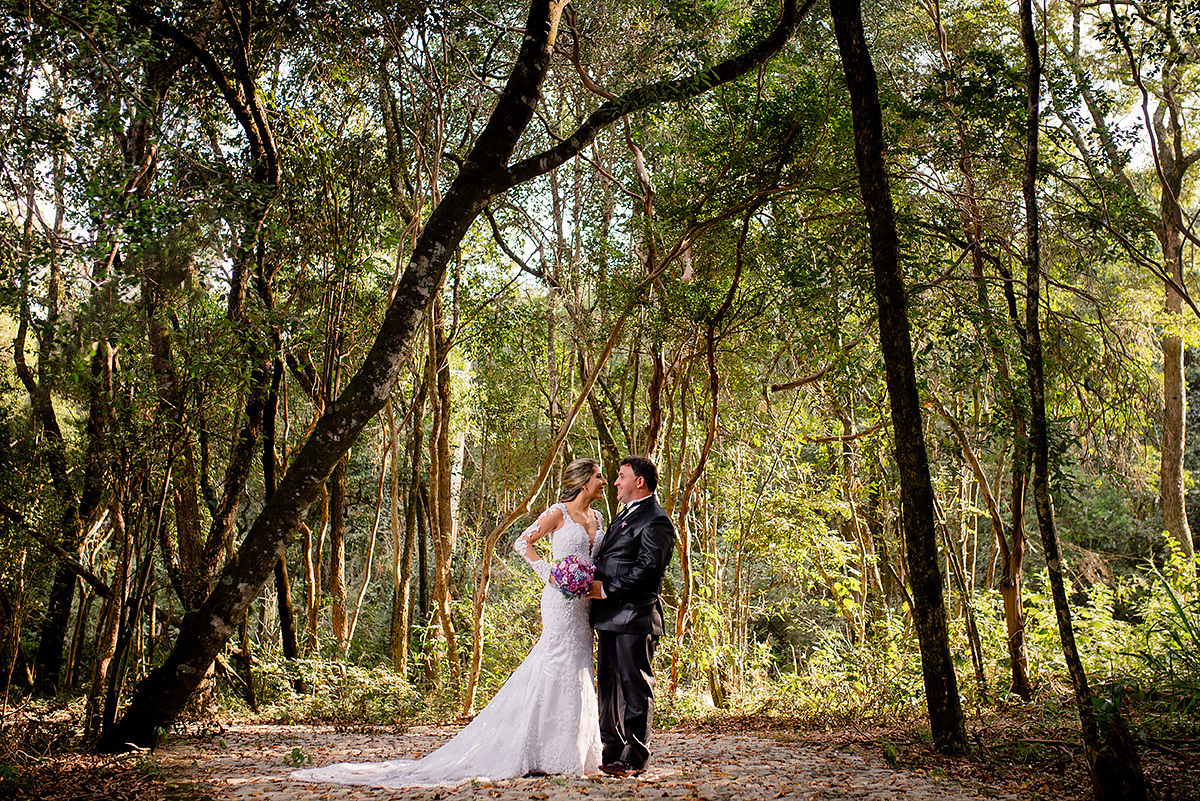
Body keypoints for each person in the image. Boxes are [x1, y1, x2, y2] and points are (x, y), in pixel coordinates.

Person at [292, 458, 607, 787]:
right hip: (558, 602)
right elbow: (521, 542)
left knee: (579, 666)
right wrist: (551, 574)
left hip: (584, 604)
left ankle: (571, 752)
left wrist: (593, 584)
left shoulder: (598, 517)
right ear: (584, 482)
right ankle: (536, 751)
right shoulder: (558, 512)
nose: (604, 481)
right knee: (553, 663)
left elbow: (598, 560)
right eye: (599, 476)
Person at [587, 456, 676, 777]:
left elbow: (648, 571)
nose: (615, 482)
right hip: (609, 616)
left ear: (640, 481)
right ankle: (611, 748)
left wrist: (606, 589)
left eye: (621, 476)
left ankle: (635, 754)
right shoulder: (624, 517)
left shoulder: (656, 520)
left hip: (636, 616)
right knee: (609, 685)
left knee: (634, 685)